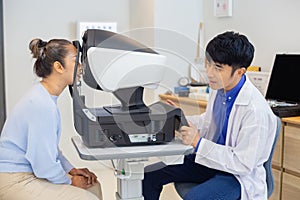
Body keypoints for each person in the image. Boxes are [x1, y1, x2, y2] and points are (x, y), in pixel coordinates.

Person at [142, 31, 277, 200]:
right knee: (149, 175)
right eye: (208, 64)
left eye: (218, 67)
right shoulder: (219, 89)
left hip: (236, 175)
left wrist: (198, 142)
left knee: (195, 197)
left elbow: (243, 164)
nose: (209, 73)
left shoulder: (255, 111)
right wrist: (179, 116)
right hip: (211, 162)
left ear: (240, 72)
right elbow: (208, 121)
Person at [0, 38, 102, 200]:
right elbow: (44, 165)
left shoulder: (44, 97)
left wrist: (71, 169)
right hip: (15, 179)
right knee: (86, 197)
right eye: (76, 61)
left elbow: (51, 151)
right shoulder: (41, 104)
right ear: (58, 67)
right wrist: (70, 180)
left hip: (27, 172)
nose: (81, 68)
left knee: (93, 185)